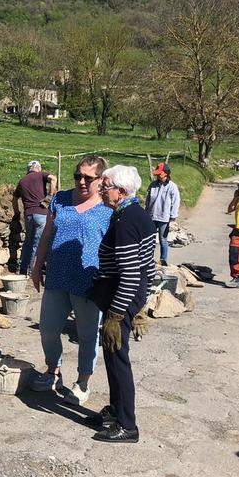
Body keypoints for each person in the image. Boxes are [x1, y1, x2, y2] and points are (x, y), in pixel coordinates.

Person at [30, 155, 113, 406]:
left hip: (88, 281)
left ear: (101, 180)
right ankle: (53, 371)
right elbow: (47, 234)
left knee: (87, 335)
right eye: (78, 176)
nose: (82, 182)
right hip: (57, 276)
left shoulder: (108, 208)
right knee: (48, 329)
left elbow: (114, 248)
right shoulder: (61, 199)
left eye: (88, 178)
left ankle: (82, 382)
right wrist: (36, 266)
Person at [90, 165, 156, 443]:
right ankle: (116, 410)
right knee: (111, 355)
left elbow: (130, 273)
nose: (102, 191)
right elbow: (148, 267)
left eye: (106, 186)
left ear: (122, 191)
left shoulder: (128, 221)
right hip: (127, 296)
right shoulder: (133, 215)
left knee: (118, 358)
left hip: (122, 297)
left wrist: (117, 315)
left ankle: (127, 425)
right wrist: (143, 300)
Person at [12, 160, 58, 275]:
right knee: (37, 243)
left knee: (28, 242)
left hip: (28, 215)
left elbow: (14, 199)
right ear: (38, 168)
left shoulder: (22, 181)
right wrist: (50, 195)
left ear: (28, 169)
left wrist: (17, 213)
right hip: (41, 214)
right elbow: (53, 179)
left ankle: (23, 268)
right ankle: (33, 271)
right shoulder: (41, 175)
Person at [144, 162, 181, 267]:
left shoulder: (172, 187)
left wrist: (173, 218)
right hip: (151, 216)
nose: (158, 175)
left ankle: (163, 260)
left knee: (162, 239)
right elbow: (148, 200)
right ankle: (148, 258)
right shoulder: (153, 185)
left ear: (166, 173)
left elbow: (175, 202)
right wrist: (146, 213)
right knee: (150, 239)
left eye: (160, 173)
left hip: (164, 217)